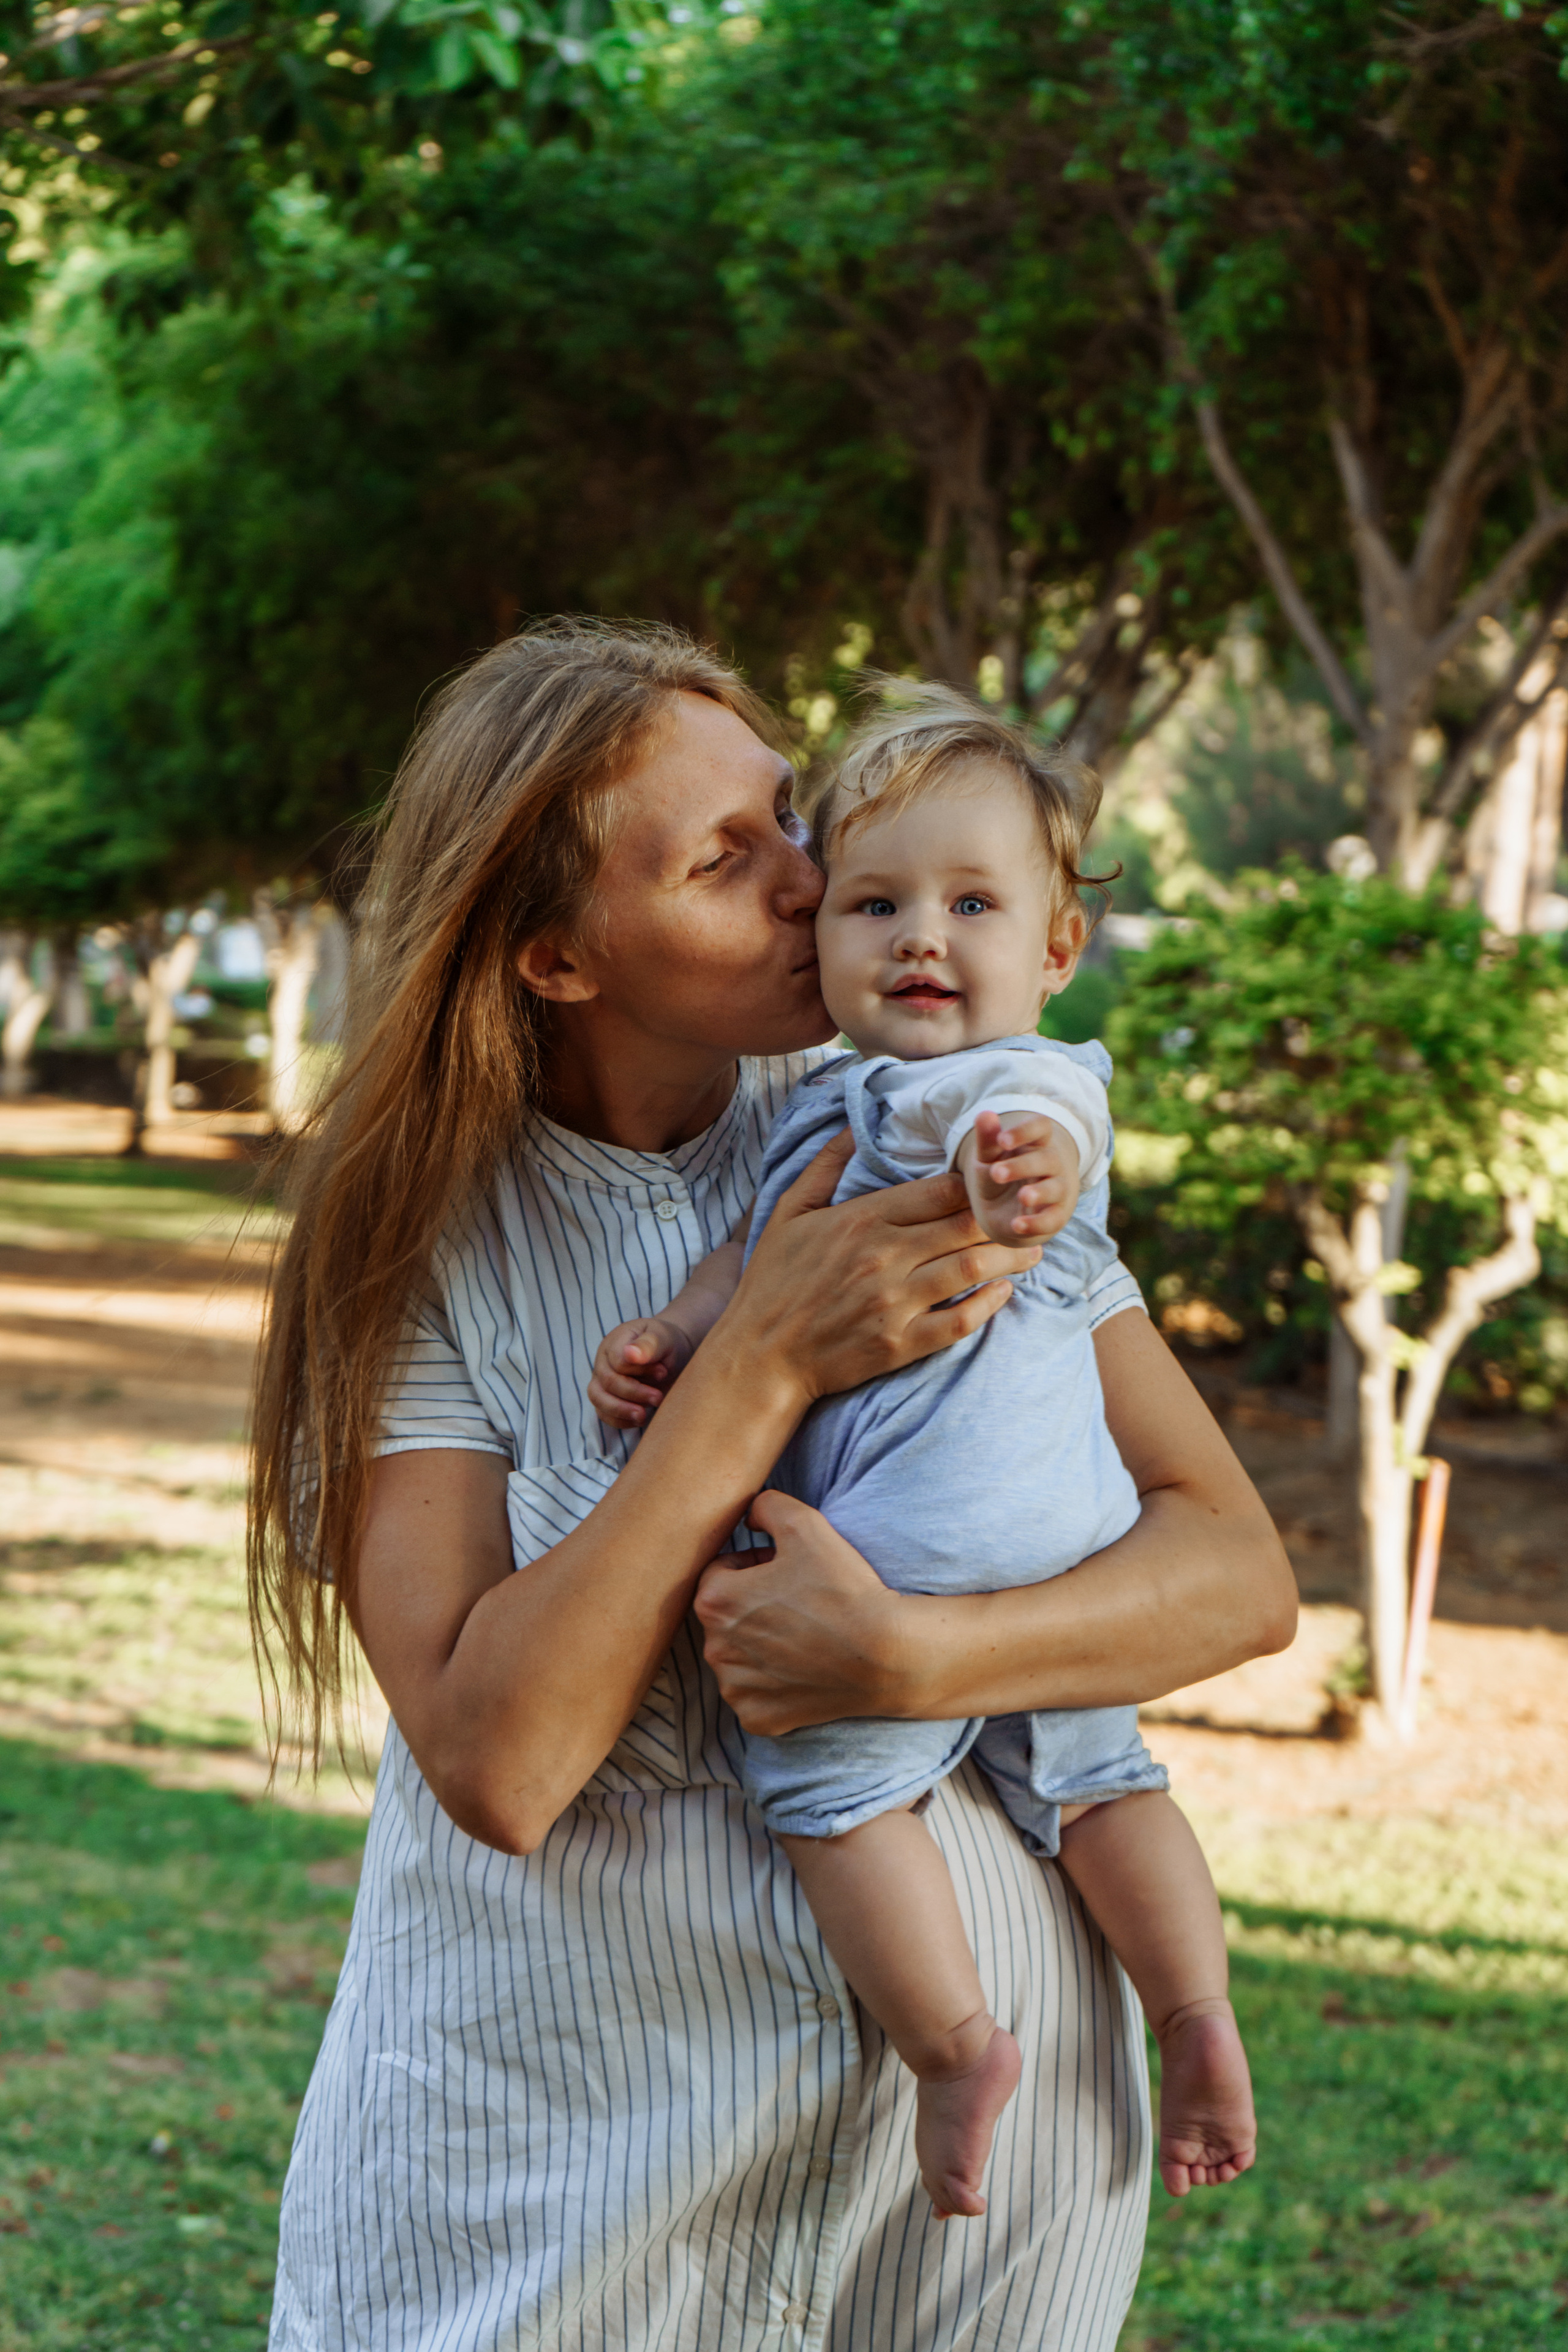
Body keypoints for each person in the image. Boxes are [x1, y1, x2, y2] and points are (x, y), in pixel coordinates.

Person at [251, 619, 1296, 2352]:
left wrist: (916, 1668)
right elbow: (497, 1761)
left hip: (974, 2194)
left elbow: (1238, 1578)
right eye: (727, 863)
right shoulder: (421, 1255)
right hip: (565, 2189)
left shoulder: (928, 1122)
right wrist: (755, 1366)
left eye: (791, 823)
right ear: (558, 959)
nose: (817, 886)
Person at [588, 685, 1254, 2224]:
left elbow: (1046, 1134)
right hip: (1061, 1552)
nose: (919, 939)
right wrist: (677, 1334)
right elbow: (758, 1265)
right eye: (873, 903)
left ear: (1054, 950)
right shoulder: (818, 1106)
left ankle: (952, 2046)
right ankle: (1192, 2012)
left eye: (971, 903)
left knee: (826, 1795)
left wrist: (1018, 1168)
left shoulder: (1009, 1086)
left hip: (919, 1541)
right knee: (1105, 1787)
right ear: (821, 941)